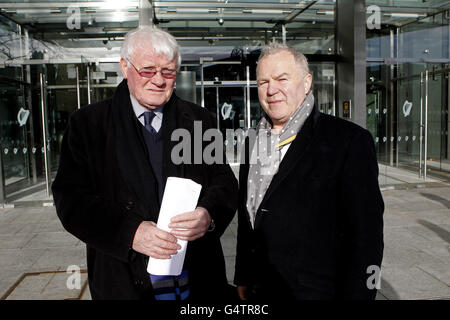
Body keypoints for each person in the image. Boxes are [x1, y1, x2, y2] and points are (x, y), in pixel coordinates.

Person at [52, 26, 238, 300]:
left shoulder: (200, 121)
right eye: (148, 70)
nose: (159, 80)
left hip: (196, 278)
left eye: (168, 71)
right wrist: (130, 233)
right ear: (125, 67)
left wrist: (208, 215)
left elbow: (224, 183)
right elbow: (71, 201)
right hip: (125, 281)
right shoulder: (88, 125)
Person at [234, 43, 384, 300]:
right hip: (261, 291)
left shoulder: (348, 141)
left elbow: (366, 237)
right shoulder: (252, 141)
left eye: (282, 79)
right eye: (263, 82)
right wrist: (243, 275)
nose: (271, 90)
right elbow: (247, 221)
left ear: (306, 83)